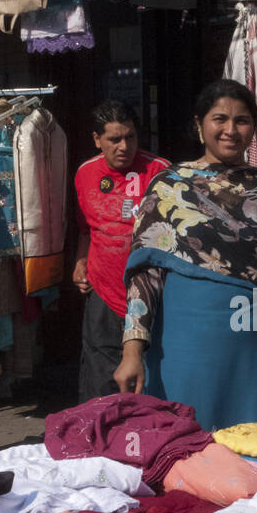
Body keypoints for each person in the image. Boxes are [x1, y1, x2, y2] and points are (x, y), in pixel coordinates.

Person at [114, 79, 257, 430]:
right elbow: (144, 278)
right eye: (219, 119)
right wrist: (132, 350)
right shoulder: (168, 187)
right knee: (185, 449)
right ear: (199, 124)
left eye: (242, 121)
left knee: (253, 455)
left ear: (254, 127)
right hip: (184, 348)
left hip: (256, 347)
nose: (230, 130)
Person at [74, 100, 169, 402]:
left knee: (149, 377)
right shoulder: (85, 174)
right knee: (100, 380)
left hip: (153, 296)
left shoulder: (162, 173)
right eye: (114, 139)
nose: (124, 146)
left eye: (130, 137)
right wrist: (79, 261)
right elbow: (85, 228)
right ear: (97, 139)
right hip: (103, 293)